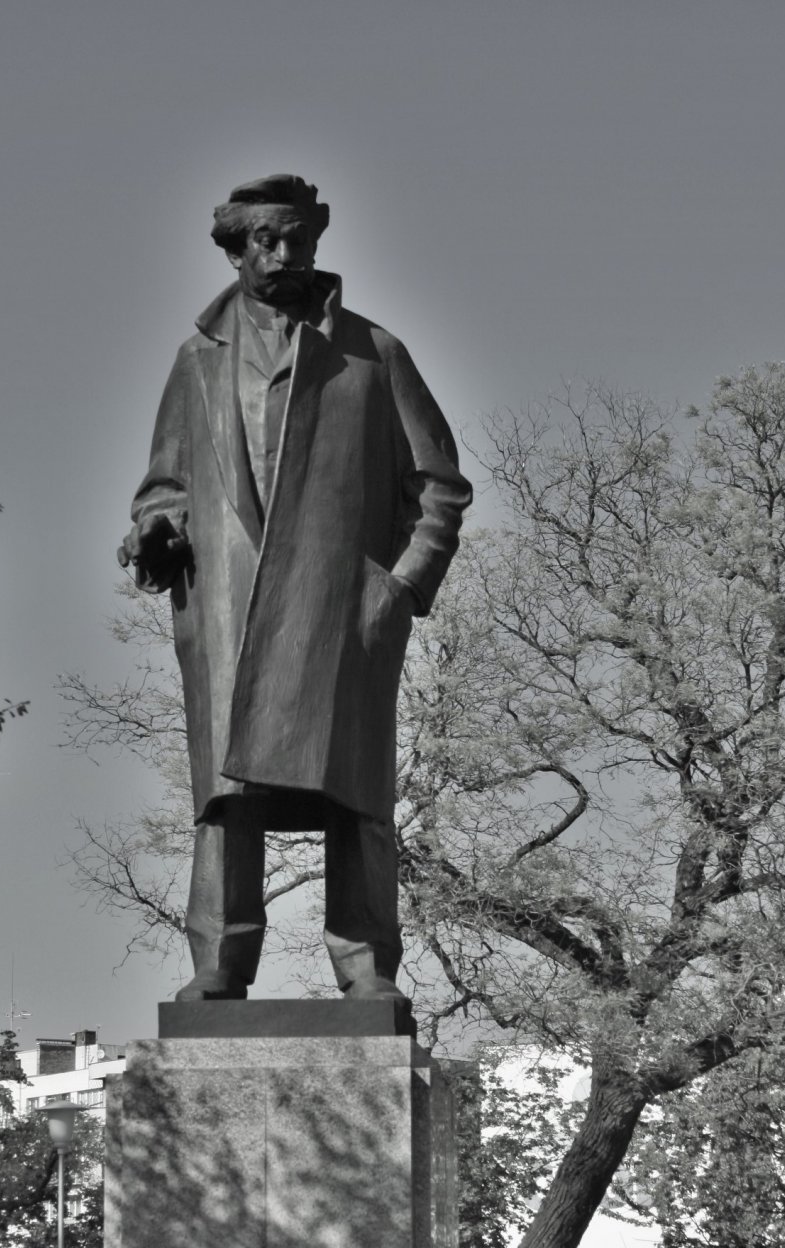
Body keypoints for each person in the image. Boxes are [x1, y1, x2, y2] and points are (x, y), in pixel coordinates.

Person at [119, 174, 471, 1001]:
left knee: (353, 794)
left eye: (297, 238)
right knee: (226, 799)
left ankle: (364, 967)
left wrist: (400, 589)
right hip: (228, 605)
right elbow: (163, 484)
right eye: (264, 240)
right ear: (236, 248)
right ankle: (220, 964)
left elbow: (439, 487)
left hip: (338, 607)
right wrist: (156, 526)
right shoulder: (197, 361)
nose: (282, 253)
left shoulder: (371, 353)